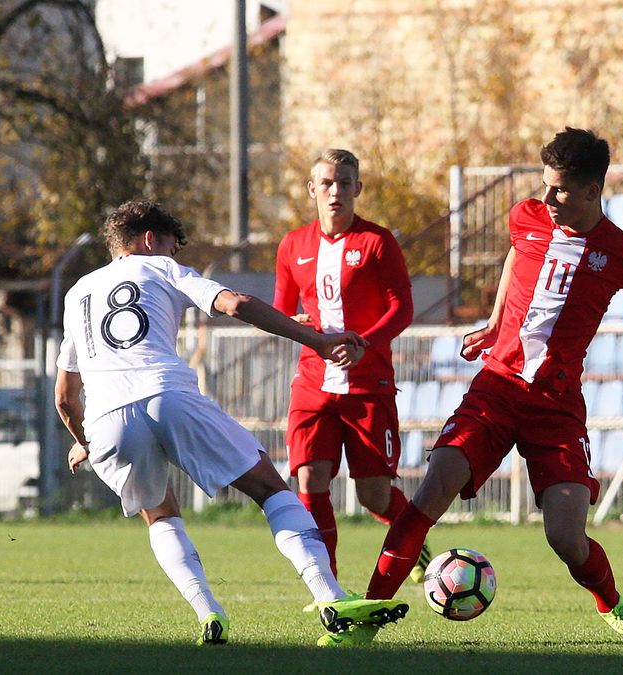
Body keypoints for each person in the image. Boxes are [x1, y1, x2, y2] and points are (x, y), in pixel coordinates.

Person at [318, 128, 623, 647]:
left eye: (559, 189)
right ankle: (365, 619)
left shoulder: (621, 253)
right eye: (544, 186)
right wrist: (497, 324)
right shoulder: (528, 217)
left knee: (566, 537)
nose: (546, 199)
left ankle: (616, 606)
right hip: (495, 387)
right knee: (432, 489)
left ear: (591, 191)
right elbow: (518, 254)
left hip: (556, 407)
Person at [54, 200, 407, 646]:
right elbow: (235, 303)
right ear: (149, 240)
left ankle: (209, 613)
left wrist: (85, 439)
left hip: (105, 417)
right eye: (169, 246)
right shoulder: (160, 268)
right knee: (270, 489)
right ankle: (330, 595)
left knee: (160, 514)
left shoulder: (76, 294)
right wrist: (316, 340)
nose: (173, 256)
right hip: (168, 394)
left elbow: (65, 398)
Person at [274, 149, 428, 584]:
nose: (335, 191)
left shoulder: (378, 242)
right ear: (312, 189)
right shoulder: (293, 245)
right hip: (312, 385)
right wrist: (295, 325)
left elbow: (402, 308)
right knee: (310, 479)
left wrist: (367, 344)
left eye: (344, 183)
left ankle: (414, 541)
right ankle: (330, 585)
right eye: (326, 183)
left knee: (375, 496)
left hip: (367, 386)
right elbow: (281, 310)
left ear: (357, 188)